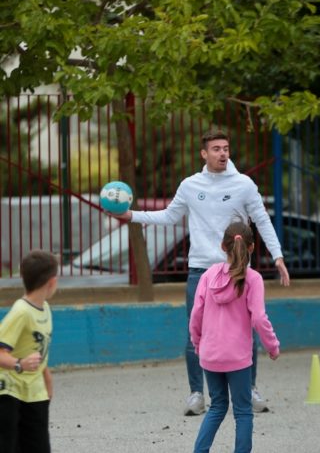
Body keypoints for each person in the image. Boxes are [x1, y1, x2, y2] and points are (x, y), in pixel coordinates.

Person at [113, 129, 289, 415]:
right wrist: (132, 215)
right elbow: (169, 215)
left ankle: (250, 389)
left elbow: (262, 220)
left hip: (237, 270)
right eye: (216, 149)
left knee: (247, 330)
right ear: (204, 153)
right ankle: (196, 394)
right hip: (201, 270)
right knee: (195, 330)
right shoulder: (190, 185)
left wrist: (278, 255)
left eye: (226, 148)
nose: (223, 153)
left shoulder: (244, 184)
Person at [189, 221, 280, 453]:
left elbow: (196, 315)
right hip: (238, 357)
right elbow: (259, 318)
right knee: (243, 412)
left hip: (209, 355)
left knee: (217, 407)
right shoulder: (253, 279)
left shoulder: (208, 275)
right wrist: (272, 346)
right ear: (251, 247)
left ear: (223, 246)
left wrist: (199, 345)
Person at [0, 250, 58, 453]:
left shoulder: (45, 308)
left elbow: (39, 350)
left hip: (34, 392)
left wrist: (47, 379)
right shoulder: (21, 312)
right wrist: (19, 364)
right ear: (52, 282)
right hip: (9, 392)